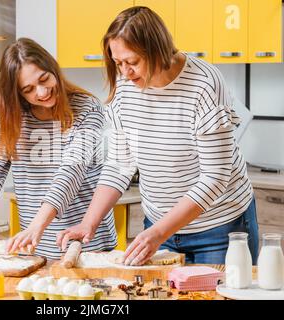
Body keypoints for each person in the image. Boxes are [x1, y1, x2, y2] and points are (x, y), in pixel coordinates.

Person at [57, 6, 258, 265]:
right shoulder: (125, 88)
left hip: (219, 226)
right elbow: (120, 164)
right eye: (118, 63)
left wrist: (160, 230)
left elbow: (216, 177)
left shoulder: (204, 84)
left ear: (158, 49)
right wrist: (88, 222)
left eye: (132, 62)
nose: (125, 73)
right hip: (158, 227)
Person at [0, 38, 117, 259]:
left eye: (44, 79)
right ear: (18, 94)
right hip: (35, 245)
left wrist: (37, 225)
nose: (43, 92)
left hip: (86, 244)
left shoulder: (87, 109)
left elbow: (71, 172)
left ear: (53, 68)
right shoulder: (13, 118)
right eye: (29, 89)